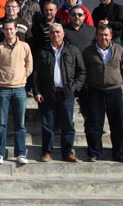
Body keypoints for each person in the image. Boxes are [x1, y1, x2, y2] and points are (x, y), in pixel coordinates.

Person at [33, 23, 86, 163]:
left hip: (66, 94)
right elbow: (36, 74)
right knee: (47, 124)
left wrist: (74, 88)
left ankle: (67, 152)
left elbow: (81, 71)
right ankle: (47, 152)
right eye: (52, 32)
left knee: (67, 124)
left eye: (57, 32)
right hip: (48, 94)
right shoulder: (43, 51)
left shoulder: (73, 51)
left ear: (63, 34)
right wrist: (37, 91)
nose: (55, 34)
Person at [83, 25, 123, 163]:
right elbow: (84, 70)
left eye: (106, 35)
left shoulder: (119, 50)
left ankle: (120, 153)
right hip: (95, 90)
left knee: (117, 124)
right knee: (94, 124)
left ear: (110, 36)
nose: (103, 37)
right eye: (100, 34)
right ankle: (94, 153)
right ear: (96, 36)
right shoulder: (89, 52)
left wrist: (117, 82)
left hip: (114, 91)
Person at [0, 19, 33, 164]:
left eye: (11, 29)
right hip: (3, 89)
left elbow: (29, 65)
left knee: (20, 124)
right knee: (1, 124)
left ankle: (21, 153)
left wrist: (22, 78)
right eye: (6, 29)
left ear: (16, 30)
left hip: (20, 89)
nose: (9, 32)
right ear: (3, 31)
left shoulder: (24, 46)